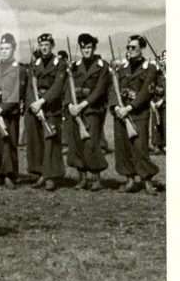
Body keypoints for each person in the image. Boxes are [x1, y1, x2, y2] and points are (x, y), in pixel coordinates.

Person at [112, 35, 159, 194]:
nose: (130, 50)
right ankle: (129, 180)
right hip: (121, 114)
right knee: (123, 148)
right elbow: (113, 90)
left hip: (138, 113)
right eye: (128, 47)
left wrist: (130, 107)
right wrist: (116, 108)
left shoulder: (150, 68)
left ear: (142, 48)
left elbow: (146, 92)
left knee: (140, 147)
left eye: (133, 47)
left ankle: (147, 181)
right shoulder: (121, 68)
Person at [65, 33, 110, 191]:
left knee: (91, 144)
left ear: (94, 47)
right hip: (75, 110)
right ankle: (82, 177)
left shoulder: (102, 66)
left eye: (89, 47)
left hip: (92, 110)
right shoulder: (74, 67)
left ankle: (96, 178)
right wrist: (70, 104)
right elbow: (68, 87)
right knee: (77, 143)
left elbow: (99, 90)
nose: (87, 51)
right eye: (84, 48)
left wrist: (82, 105)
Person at [0, 33, 27, 188]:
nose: (4, 51)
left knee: (8, 144)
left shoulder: (19, 69)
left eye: (7, 48)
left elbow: (17, 93)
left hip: (8, 112)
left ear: (13, 49)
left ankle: (9, 175)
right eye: (1, 48)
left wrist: (1, 109)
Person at [24, 33, 66, 191]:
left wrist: (42, 102)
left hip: (51, 109)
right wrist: (33, 105)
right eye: (41, 45)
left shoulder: (60, 63)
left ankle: (51, 177)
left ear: (52, 46)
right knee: (38, 142)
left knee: (51, 143)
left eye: (47, 45)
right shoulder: (35, 64)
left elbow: (58, 86)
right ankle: (41, 173)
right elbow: (30, 87)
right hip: (36, 109)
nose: (44, 47)